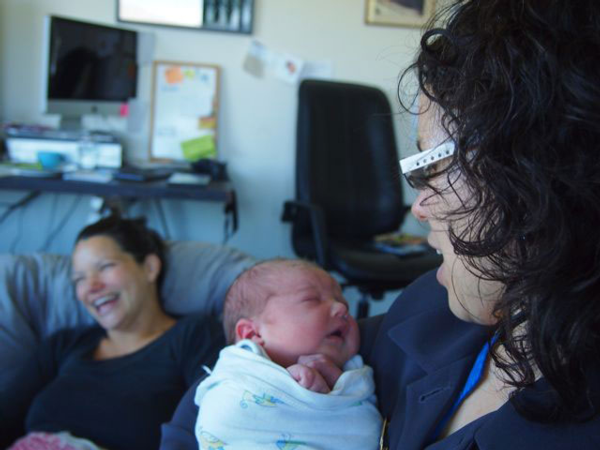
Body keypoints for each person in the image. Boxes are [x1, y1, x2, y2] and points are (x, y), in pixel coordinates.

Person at [160, 1, 600, 449]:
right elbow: (230, 382)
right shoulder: (433, 306)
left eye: (432, 165)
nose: (419, 207)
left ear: (542, 174)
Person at [1, 215, 225, 450]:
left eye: (105, 267)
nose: (91, 287)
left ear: (149, 267)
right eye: (79, 279)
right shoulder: (63, 345)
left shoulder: (194, 336)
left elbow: (213, 425)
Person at [194, 259, 382, 449]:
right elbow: (220, 424)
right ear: (253, 334)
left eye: (343, 302)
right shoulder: (236, 381)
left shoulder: (357, 368)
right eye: (312, 299)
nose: (341, 309)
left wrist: (337, 386)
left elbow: (364, 424)